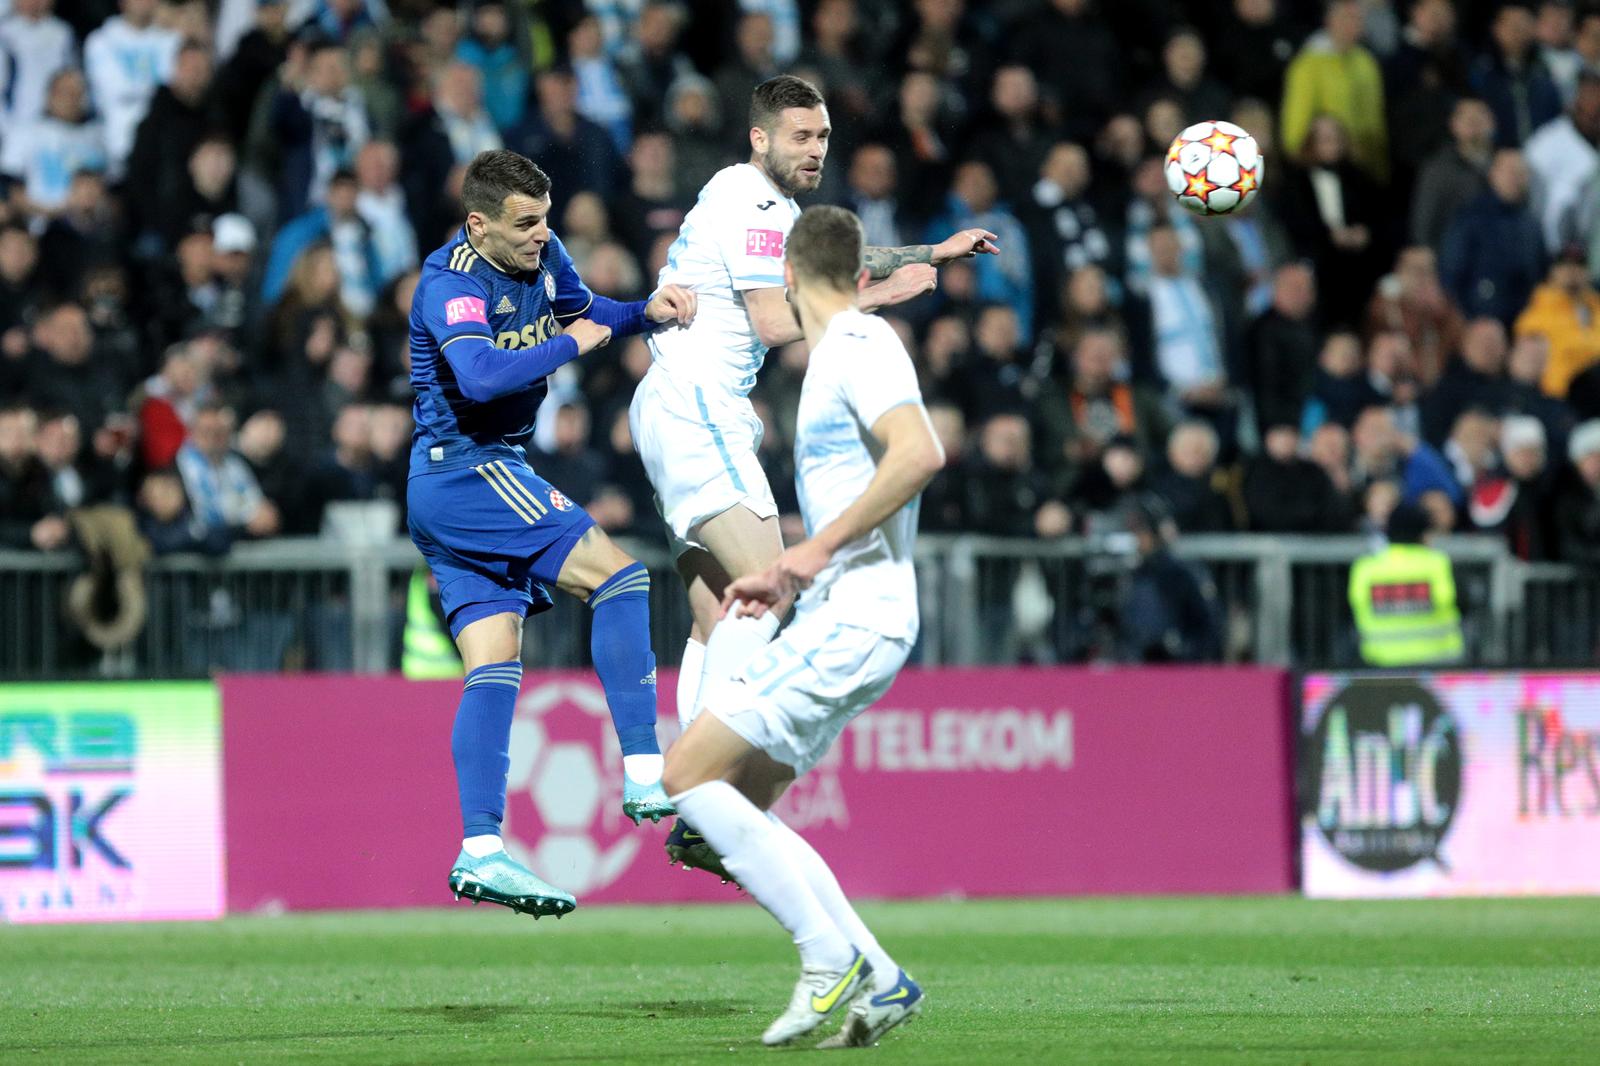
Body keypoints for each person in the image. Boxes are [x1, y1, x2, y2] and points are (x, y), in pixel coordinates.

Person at [629, 74, 993, 783]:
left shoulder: (762, 205)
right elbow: (773, 321)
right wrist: (883, 298)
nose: (816, 148)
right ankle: (696, 775)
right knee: (774, 589)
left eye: (823, 136)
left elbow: (831, 267)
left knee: (718, 617)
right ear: (760, 137)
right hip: (695, 404)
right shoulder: (752, 199)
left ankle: (669, 783)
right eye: (801, 135)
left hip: (679, 406)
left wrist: (931, 254)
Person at [661, 205, 938, 1049]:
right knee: (734, 808)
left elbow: (919, 452)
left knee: (687, 772)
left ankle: (827, 961)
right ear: (860, 275)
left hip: (856, 617)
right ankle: (879, 977)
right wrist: (789, 578)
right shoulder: (837, 356)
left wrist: (806, 554)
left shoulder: (856, 346)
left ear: (787, 276)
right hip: (850, 619)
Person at [406, 149, 698, 919]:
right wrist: (578, 344)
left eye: (546, 218)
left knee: (495, 666)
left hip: (453, 485)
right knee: (621, 577)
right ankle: (642, 768)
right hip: (468, 470)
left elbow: (587, 311)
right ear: (480, 224)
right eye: (525, 223)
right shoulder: (450, 283)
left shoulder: (545, 253)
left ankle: (480, 850)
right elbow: (480, 378)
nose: (542, 235)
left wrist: (646, 313)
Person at [1348, 502, 1465, 666]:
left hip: (1380, 663)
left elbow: (1354, 608)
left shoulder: (1366, 568)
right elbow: (1463, 604)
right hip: (1437, 662)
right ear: (1423, 534)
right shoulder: (1438, 564)